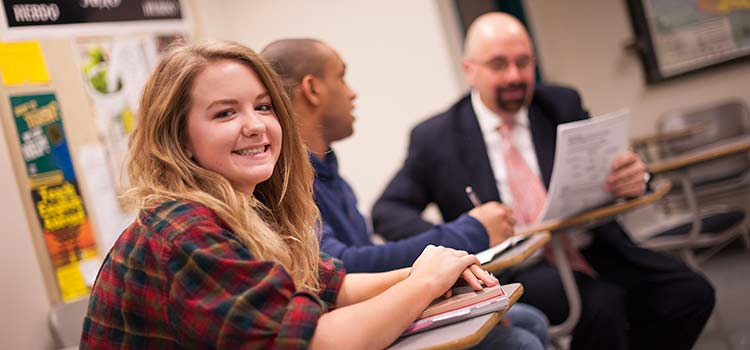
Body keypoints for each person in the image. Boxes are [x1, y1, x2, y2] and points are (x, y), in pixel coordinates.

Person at [79, 41, 501, 349]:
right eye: (226, 113)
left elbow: (329, 285)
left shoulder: (244, 208)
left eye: (263, 107)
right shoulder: (185, 227)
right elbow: (315, 343)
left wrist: (427, 272)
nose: (256, 125)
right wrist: (424, 283)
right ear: (180, 137)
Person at [372, 13, 715, 350]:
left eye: (524, 63)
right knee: (602, 305)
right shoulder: (436, 137)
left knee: (691, 293)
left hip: (593, 246)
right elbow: (388, 210)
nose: (514, 76)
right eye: (498, 65)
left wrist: (636, 177)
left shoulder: (560, 104)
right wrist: (458, 238)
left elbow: (617, 166)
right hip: (518, 268)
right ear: (469, 70)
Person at [261, 38, 549, 349]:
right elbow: (343, 267)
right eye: (342, 76)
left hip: (368, 307)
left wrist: (440, 279)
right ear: (312, 89)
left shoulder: (328, 172)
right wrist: (467, 234)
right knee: (519, 340)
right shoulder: (289, 183)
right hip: (353, 325)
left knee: (528, 320)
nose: (352, 92)